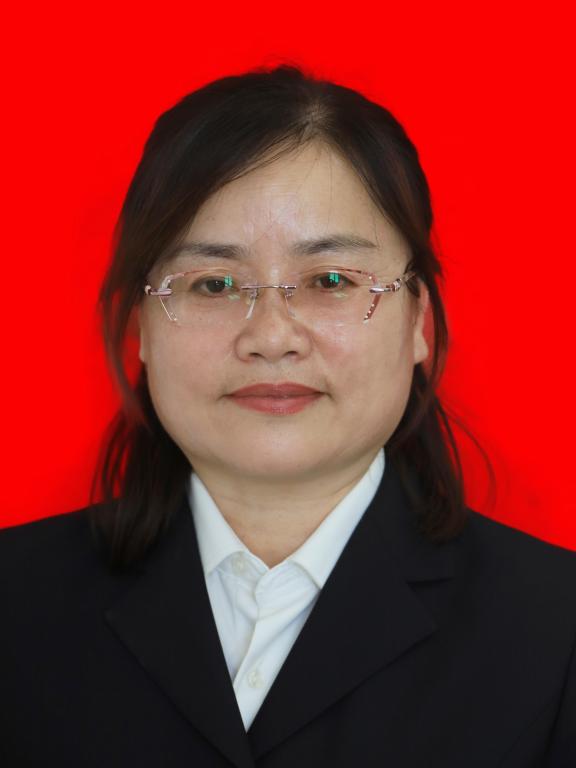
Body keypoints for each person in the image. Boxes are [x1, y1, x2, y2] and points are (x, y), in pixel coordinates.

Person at [1, 64, 575, 768]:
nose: (272, 337)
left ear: (418, 321)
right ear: (141, 328)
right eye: (213, 284)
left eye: (331, 280)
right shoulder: (14, 604)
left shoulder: (556, 630)